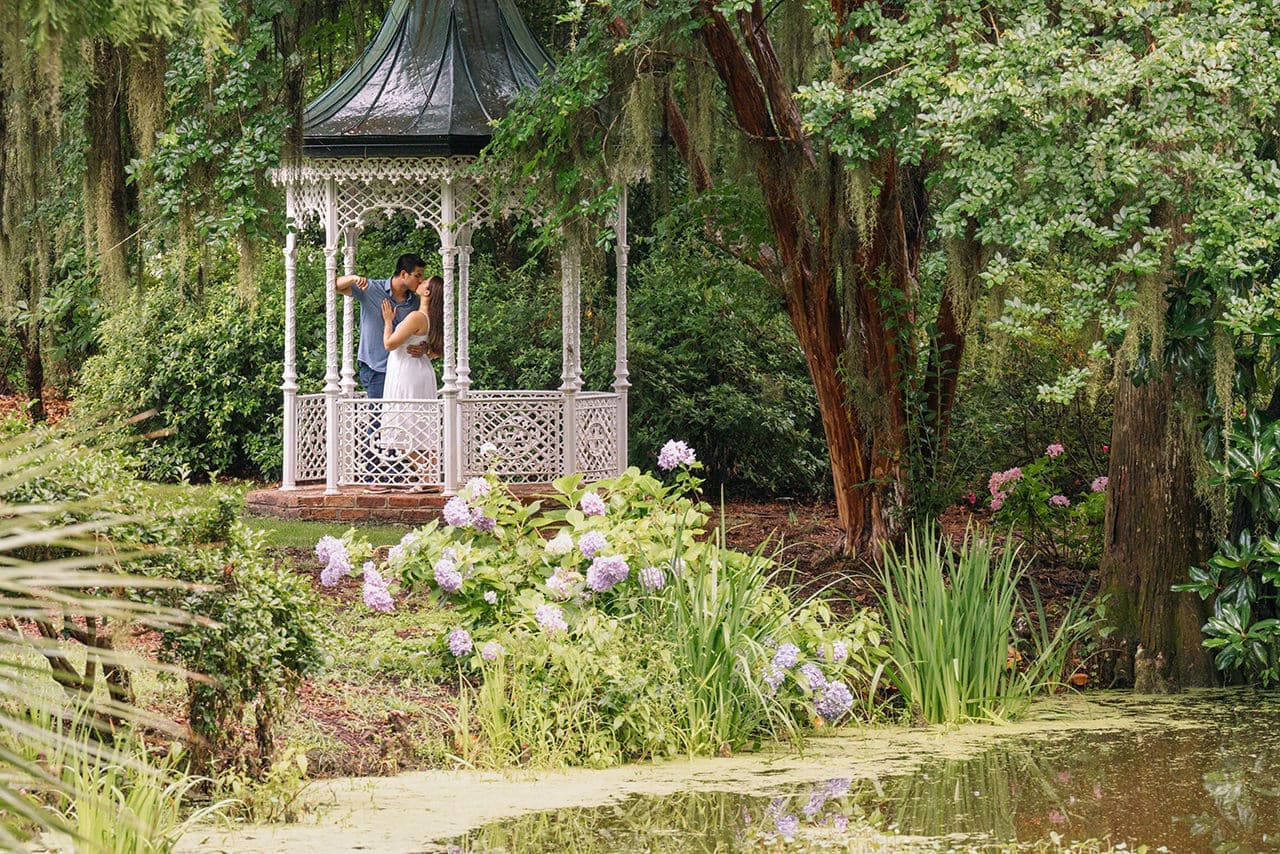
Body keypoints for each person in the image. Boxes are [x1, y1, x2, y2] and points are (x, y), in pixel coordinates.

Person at [380, 275, 444, 491]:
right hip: (420, 371)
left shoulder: (417, 316)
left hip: (406, 373)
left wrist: (388, 320)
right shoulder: (433, 317)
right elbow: (437, 350)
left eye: (425, 282)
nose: (421, 281)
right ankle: (430, 476)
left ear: (427, 292)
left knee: (404, 424)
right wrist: (425, 349)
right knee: (420, 425)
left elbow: (389, 344)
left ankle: (427, 477)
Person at [334, 253, 429, 398]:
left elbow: (426, 332)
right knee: (379, 419)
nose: (421, 280)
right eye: (418, 275)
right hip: (377, 368)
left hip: (402, 369)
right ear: (403, 274)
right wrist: (353, 278)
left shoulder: (415, 303)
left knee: (399, 418)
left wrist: (425, 348)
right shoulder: (371, 288)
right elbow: (334, 285)